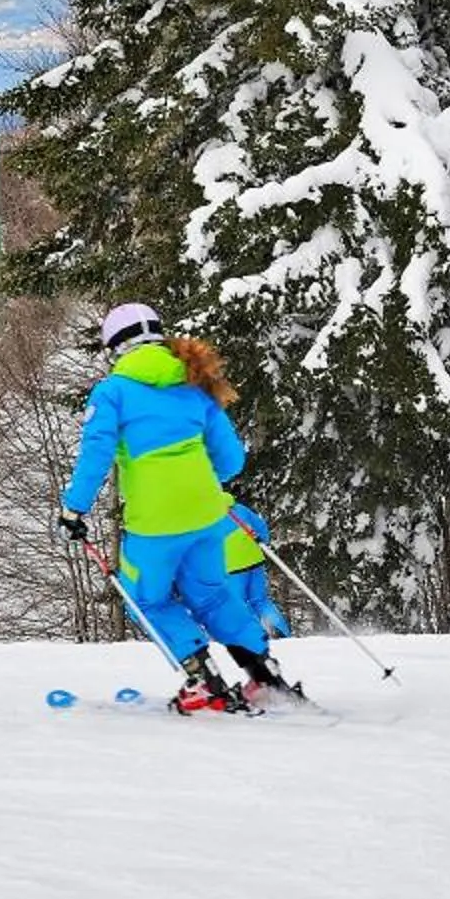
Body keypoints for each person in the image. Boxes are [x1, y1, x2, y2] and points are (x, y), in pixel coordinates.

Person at [57, 304, 290, 713]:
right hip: (207, 514)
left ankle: (203, 680)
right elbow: (232, 461)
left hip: (155, 521)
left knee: (148, 599)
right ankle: (264, 675)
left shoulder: (113, 391)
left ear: (116, 348)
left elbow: (96, 453)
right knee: (213, 595)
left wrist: (74, 509)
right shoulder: (195, 384)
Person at [217, 505, 303, 700]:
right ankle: (283, 633)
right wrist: (260, 542)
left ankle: (256, 642)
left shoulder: (204, 511)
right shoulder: (236, 507)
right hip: (254, 558)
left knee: (239, 607)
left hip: (231, 566)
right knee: (260, 601)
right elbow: (260, 527)